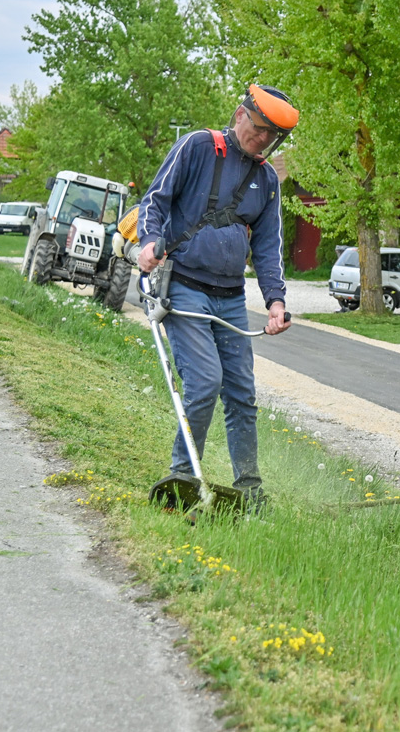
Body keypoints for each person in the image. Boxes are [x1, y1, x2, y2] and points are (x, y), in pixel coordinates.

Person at [136, 84, 298, 513]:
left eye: (272, 136)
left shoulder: (266, 180)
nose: (262, 140)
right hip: (184, 287)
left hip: (229, 297)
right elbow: (154, 200)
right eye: (260, 128)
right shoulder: (197, 147)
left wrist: (276, 302)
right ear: (240, 114)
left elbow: (268, 247)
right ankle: (182, 478)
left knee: (242, 392)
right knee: (205, 382)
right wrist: (151, 241)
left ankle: (249, 487)